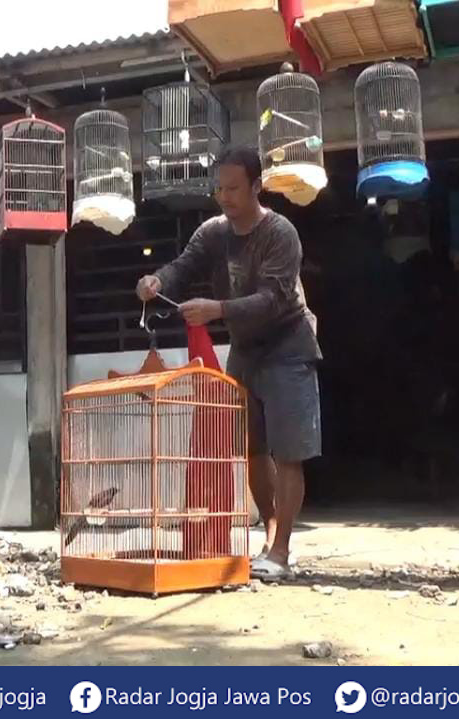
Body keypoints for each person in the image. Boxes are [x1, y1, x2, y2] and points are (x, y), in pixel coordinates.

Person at [136, 146, 321, 580]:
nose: (224, 197)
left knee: (289, 452)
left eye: (234, 188)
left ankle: (281, 550)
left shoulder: (280, 233)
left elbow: (274, 299)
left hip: (289, 344)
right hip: (246, 348)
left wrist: (217, 309)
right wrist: (157, 280)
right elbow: (184, 266)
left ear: (256, 186)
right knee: (252, 448)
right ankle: (270, 536)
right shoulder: (213, 233)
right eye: (219, 188)